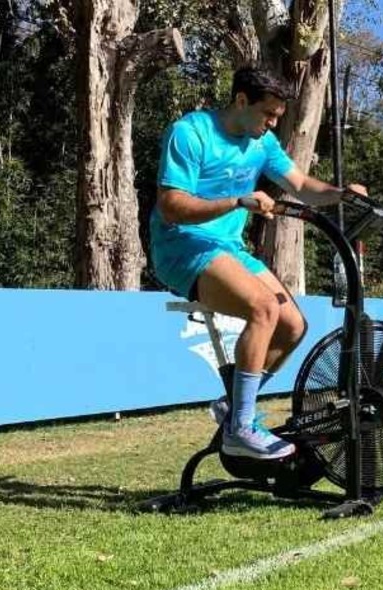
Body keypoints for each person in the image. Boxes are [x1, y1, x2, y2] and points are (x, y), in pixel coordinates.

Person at [150, 66, 366, 460]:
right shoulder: (190, 133)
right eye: (268, 114)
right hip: (182, 246)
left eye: (278, 118)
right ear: (241, 100)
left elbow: (300, 186)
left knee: (293, 326)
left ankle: (234, 407)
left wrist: (341, 195)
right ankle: (242, 428)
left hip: (229, 249)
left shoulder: (262, 143)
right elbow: (171, 207)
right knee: (264, 308)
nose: (271, 125)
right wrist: (237, 201)